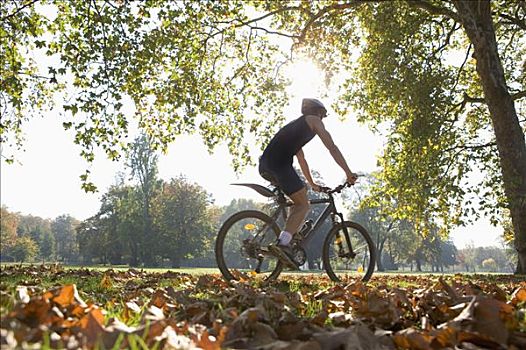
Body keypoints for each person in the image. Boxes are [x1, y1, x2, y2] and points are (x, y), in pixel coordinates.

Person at [259, 98, 358, 269]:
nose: (322, 120)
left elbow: (302, 159)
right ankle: (283, 244)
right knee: (304, 205)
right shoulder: (313, 120)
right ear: (318, 111)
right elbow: (332, 148)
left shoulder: (295, 129)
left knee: (298, 199)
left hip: (266, 165)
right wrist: (348, 173)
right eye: (323, 116)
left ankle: (288, 239)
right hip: (279, 164)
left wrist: (312, 183)